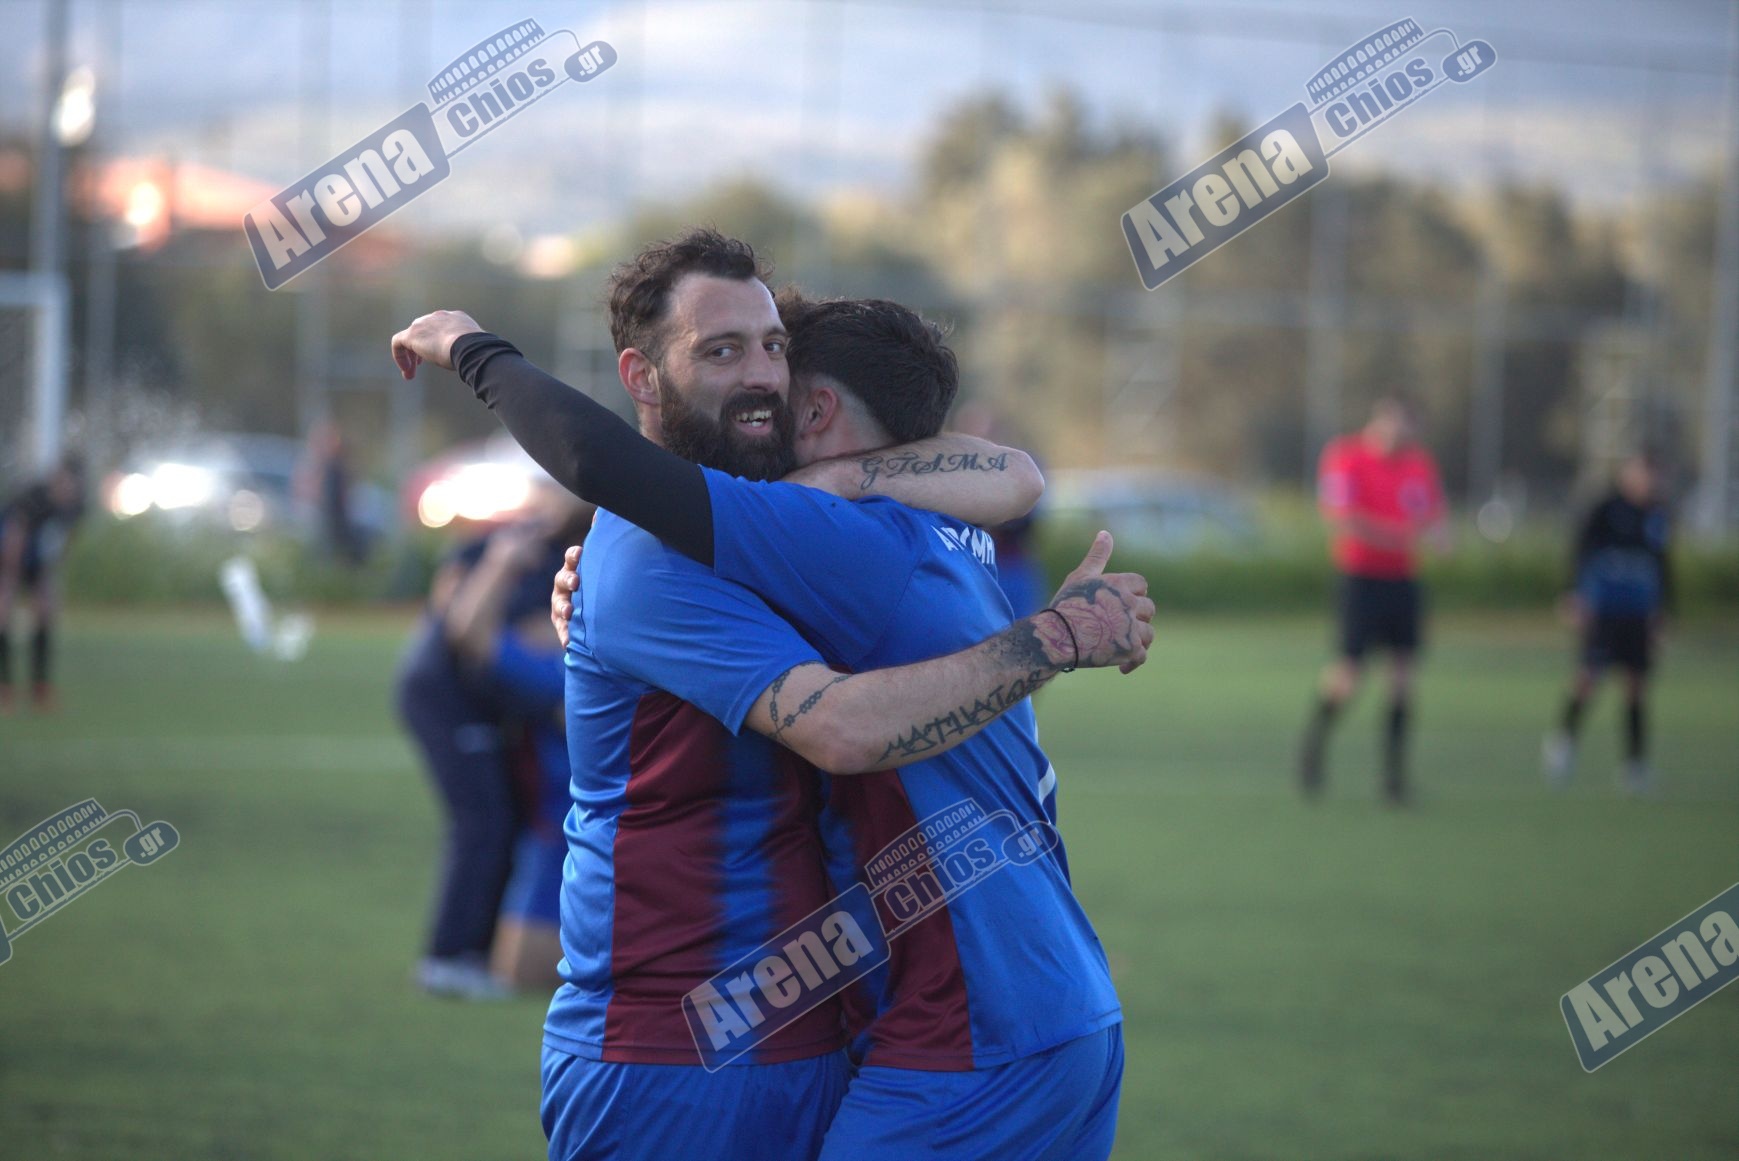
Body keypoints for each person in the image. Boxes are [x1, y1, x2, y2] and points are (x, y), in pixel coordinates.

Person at [391, 229, 1152, 1161]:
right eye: (723, 350)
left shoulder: (804, 527)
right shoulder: (895, 524)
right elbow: (1016, 472)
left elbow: (838, 722)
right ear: (640, 375)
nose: (760, 376)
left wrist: (1052, 636)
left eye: (775, 351)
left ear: (815, 403)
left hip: (949, 1032)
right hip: (760, 1041)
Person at [394, 493, 583, 1000]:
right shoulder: (523, 550)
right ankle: (450, 956)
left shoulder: (561, 565)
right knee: (485, 821)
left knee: (503, 820)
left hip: (494, 707)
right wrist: (501, 563)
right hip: (451, 697)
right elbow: (463, 623)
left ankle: (470, 952)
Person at [1297, 395, 1447, 805]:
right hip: (1360, 579)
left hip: (1403, 581)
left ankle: (1394, 778)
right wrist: (1397, 535)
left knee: (1403, 677)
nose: (1401, 434)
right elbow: (1341, 518)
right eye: (1396, 423)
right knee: (1348, 675)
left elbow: (1433, 514)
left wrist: (1439, 535)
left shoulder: (1419, 464)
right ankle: (1313, 748)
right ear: (1380, 419)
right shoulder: (1345, 456)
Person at [1543, 453, 1672, 795]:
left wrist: (1663, 612)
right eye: (1643, 472)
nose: (1648, 480)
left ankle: (1635, 764)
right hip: (1604, 611)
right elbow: (1579, 551)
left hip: (1638, 613)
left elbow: (1662, 564)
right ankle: (1564, 742)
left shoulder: (1656, 515)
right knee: (1588, 678)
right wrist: (1573, 594)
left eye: (1653, 474)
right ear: (1628, 473)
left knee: (1636, 685)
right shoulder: (1604, 509)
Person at [0, 452, 86, 713]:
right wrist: (11, 580)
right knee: (3, 612)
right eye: (64, 482)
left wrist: (49, 575)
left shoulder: (75, 506)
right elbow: (13, 540)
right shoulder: (34, 499)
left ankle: (40, 688)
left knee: (45, 613)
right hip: (8, 554)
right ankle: (4, 687)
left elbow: (66, 538)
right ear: (56, 479)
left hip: (36, 560)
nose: (67, 489)